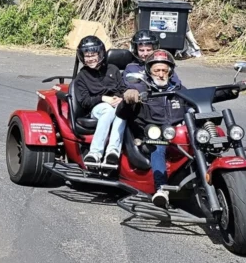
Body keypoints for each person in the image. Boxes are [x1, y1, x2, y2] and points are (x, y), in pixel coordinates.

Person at [119, 50, 186, 208]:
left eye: (164, 70)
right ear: (149, 71)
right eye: (157, 70)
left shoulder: (178, 88)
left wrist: (234, 88)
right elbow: (122, 112)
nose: (161, 74)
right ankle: (161, 189)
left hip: (174, 131)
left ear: (170, 72)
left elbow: (197, 98)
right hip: (149, 134)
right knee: (158, 145)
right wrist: (129, 98)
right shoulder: (141, 88)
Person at [72, 35, 126, 169]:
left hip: (115, 105)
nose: (90, 59)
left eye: (93, 55)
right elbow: (85, 101)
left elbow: (123, 89)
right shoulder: (82, 76)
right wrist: (103, 98)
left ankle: (112, 152)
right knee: (107, 110)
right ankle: (95, 153)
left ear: (101, 54)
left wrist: (119, 98)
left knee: (123, 111)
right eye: (87, 56)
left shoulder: (113, 69)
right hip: (95, 109)